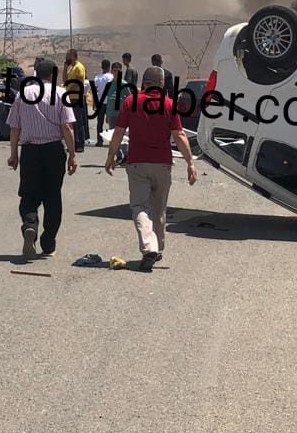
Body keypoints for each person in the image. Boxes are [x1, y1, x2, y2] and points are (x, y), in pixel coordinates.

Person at [105, 65, 198, 271]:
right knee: (159, 208)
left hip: (137, 163)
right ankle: (158, 248)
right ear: (162, 84)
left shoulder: (131, 102)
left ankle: (149, 248)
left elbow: (118, 132)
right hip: (163, 164)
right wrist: (190, 162)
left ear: (143, 84)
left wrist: (111, 156)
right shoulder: (168, 104)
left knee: (140, 207)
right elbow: (179, 135)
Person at [7, 56, 77, 258]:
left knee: (29, 195)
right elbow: (67, 127)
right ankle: (48, 241)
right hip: (54, 151)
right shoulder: (60, 93)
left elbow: (14, 127)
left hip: (30, 151)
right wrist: (72, 155)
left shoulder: (23, 94)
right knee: (52, 197)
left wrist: (13, 154)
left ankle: (30, 225)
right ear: (53, 75)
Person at [64, 47, 90, 151]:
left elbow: (78, 82)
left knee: (78, 121)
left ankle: (80, 144)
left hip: (77, 97)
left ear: (73, 56)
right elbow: (65, 79)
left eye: (68, 55)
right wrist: (65, 67)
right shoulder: (71, 67)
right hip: (71, 97)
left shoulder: (79, 67)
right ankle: (74, 143)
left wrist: (69, 89)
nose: (66, 57)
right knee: (71, 121)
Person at [92, 58, 114, 145]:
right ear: (109, 67)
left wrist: (94, 103)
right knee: (111, 122)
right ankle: (112, 140)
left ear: (101, 67)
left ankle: (99, 140)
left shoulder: (97, 78)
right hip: (109, 103)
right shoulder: (112, 77)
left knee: (99, 122)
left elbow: (95, 91)